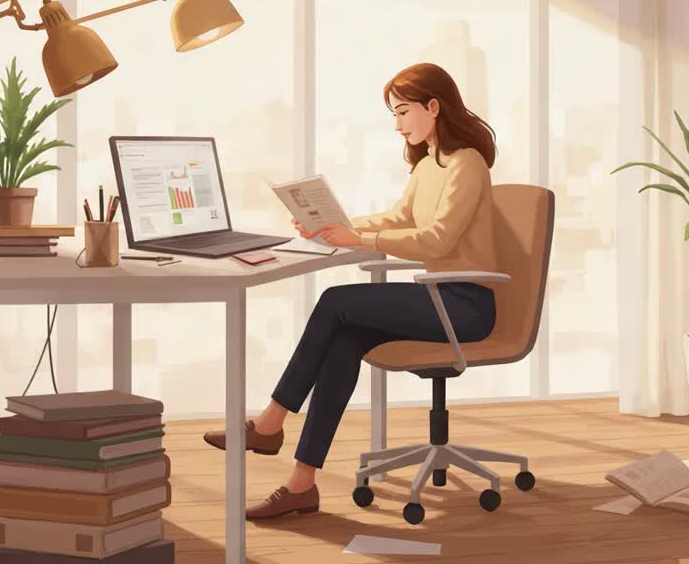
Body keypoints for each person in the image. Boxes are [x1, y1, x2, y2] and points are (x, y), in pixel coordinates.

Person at [202, 62, 501, 519]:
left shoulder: (468, 165)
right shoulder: (428, 166)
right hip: (438, 298)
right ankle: (302, 484)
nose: (398, 125)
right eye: (393, 116)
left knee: (336, 301)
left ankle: (269, 423)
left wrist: (356, 239)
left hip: (467, 305)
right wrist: (331, 229)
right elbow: (398, 220)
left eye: (403, 113)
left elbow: (438, 238)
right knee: (343, 340)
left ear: (434, 107)